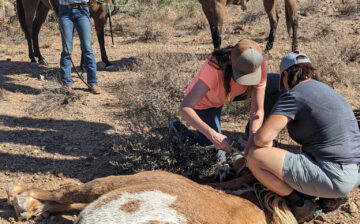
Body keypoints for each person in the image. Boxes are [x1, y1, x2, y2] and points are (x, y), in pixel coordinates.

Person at [246, 51, 360, 223]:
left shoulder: (295, 94)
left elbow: (262, 138)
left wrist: (265, 143)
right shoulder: (330, 92)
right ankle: (327, 195)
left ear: (285, 75)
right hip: (353, 173)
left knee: (255, 157)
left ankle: (300, 205)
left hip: (333, 176)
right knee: (299, 152)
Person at [170, 39, 273, 172]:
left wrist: (252, 141)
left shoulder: (257, 63)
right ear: (231, 63)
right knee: (217, 157)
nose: (246, 82)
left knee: (277, 85)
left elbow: (257, 110)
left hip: (230, 95)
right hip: (205, 103)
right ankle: (179, 130)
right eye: (241, 77)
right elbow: (184, 108)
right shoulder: (214, 68)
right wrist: (214, 136)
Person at [59, 0, 100, 94]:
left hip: (83, 10)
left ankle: (93, 82)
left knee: (87, 48)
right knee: (67, 50)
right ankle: (66, 84)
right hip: (65, 10)